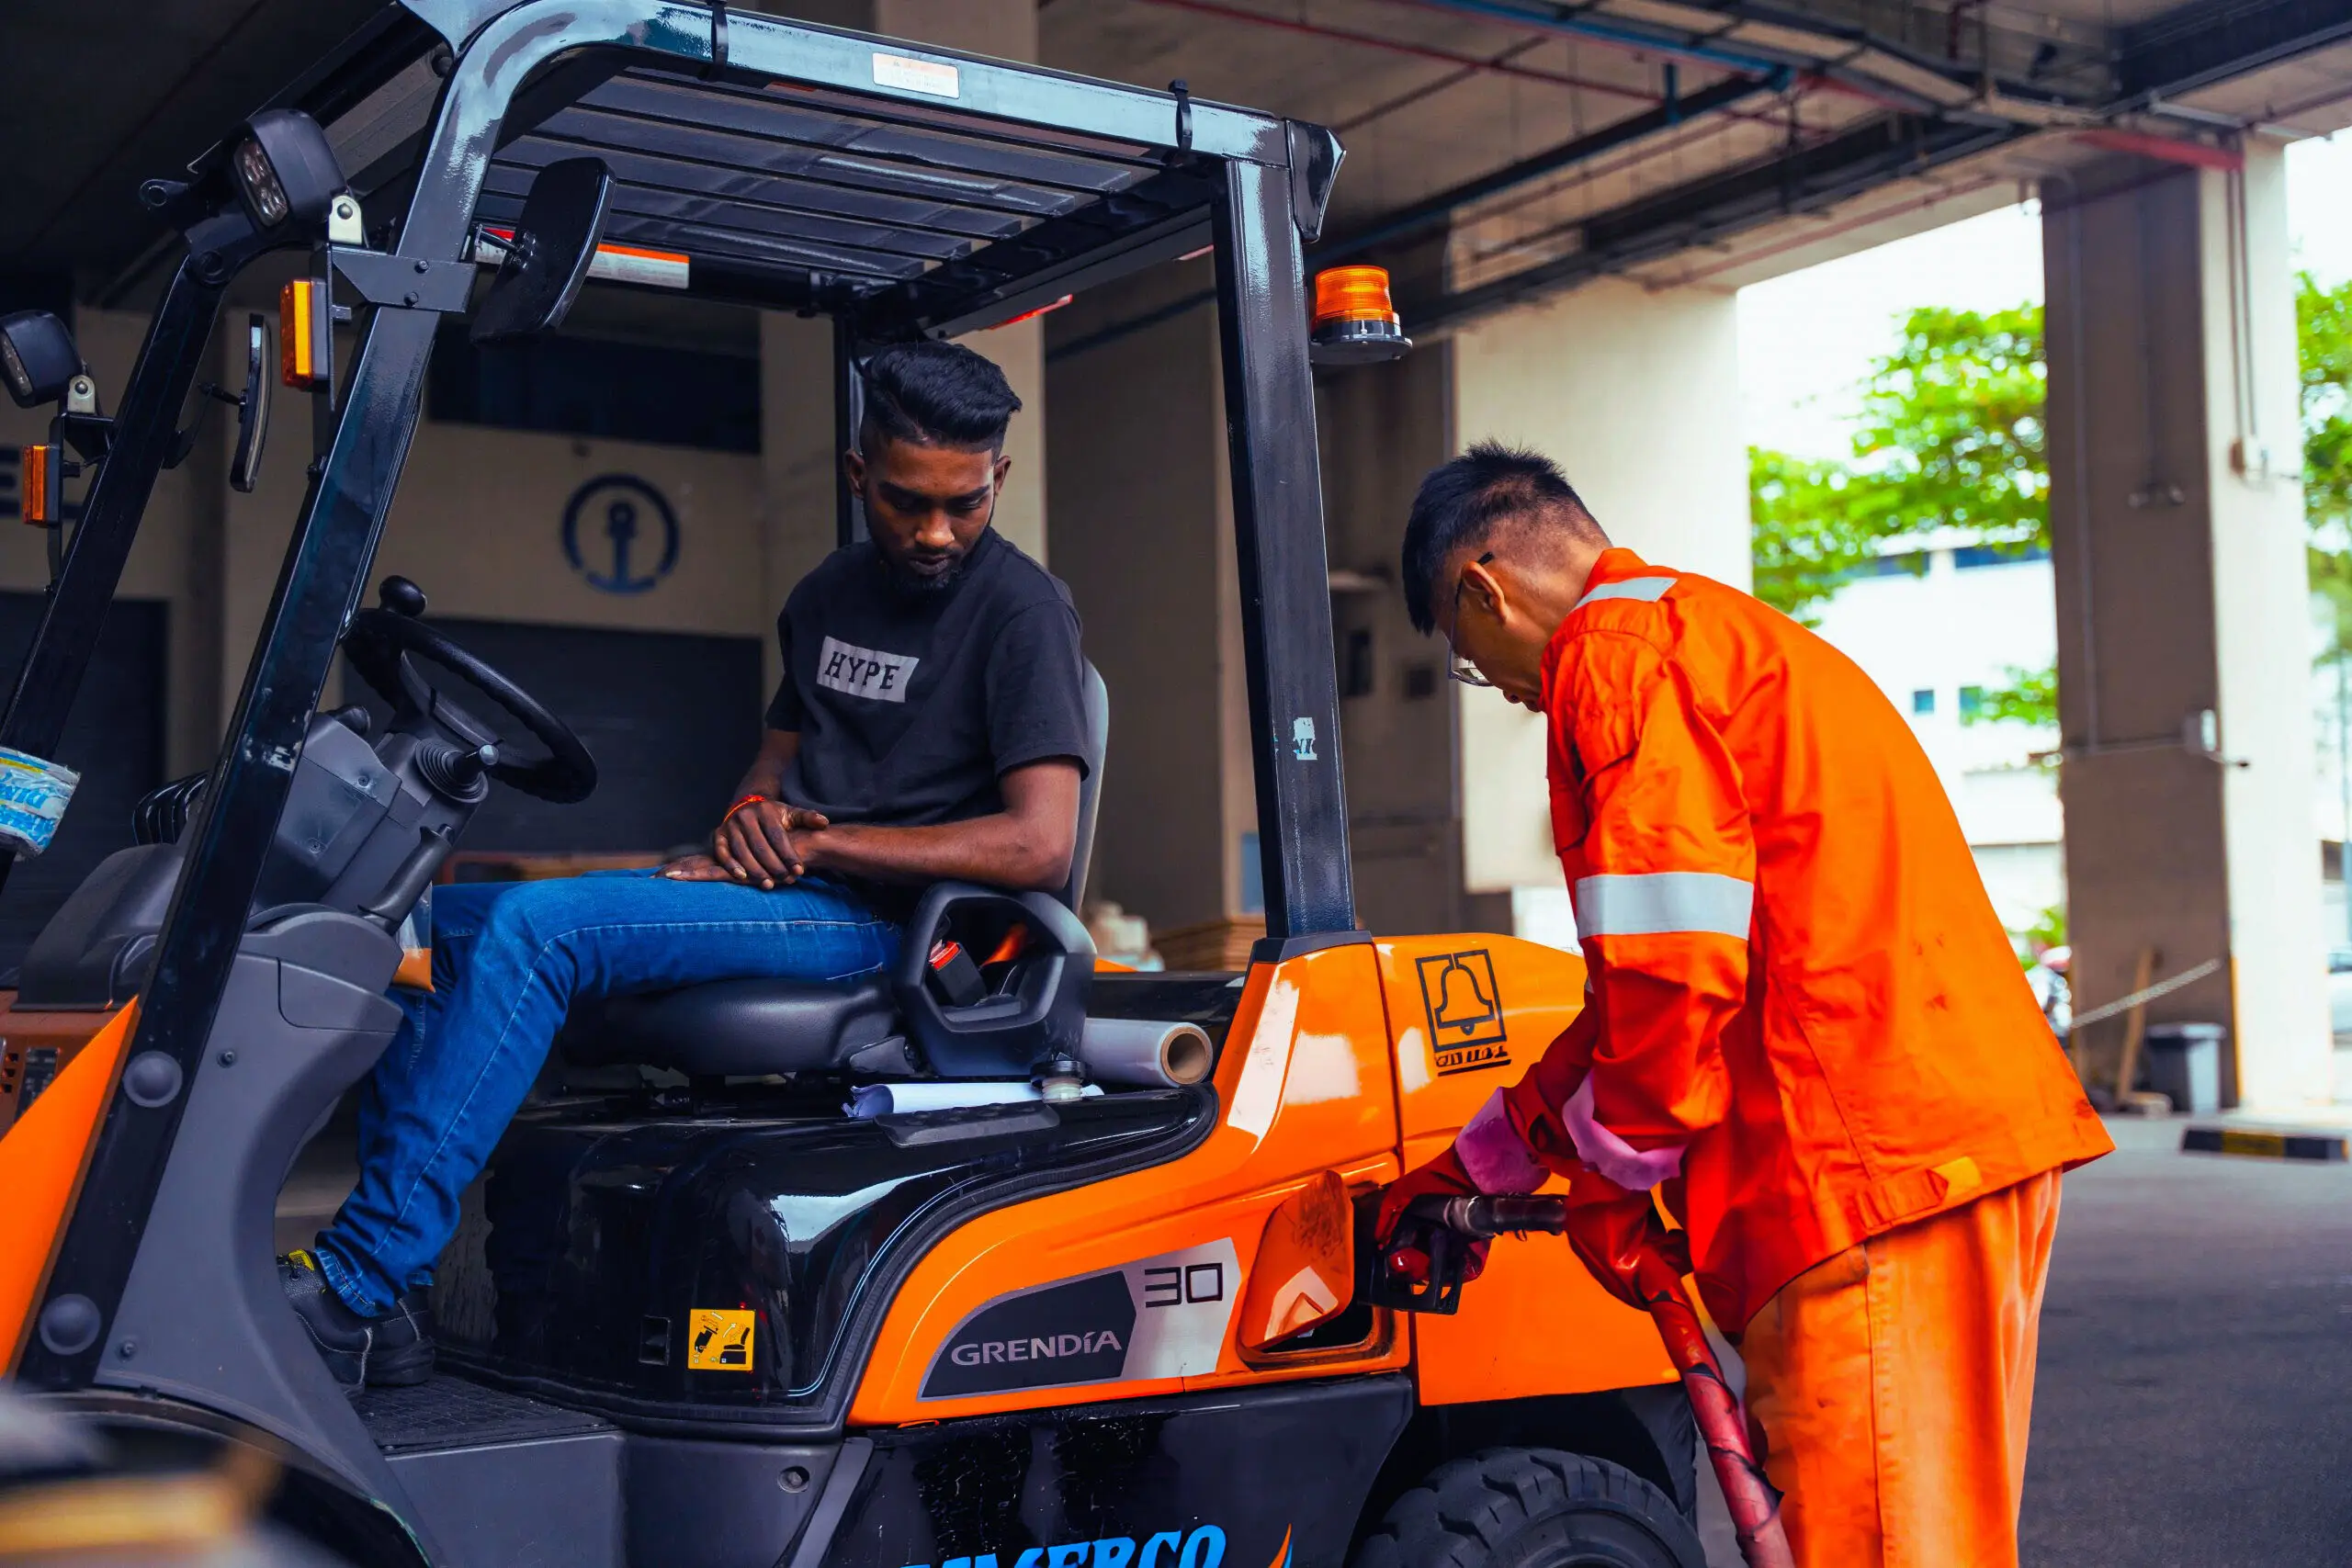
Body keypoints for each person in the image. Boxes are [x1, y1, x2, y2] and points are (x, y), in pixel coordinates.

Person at [280, 341, 1091, 1387]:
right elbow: (778, 760)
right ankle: (391, 1302)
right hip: (797, 888)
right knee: (439, 921)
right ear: (859, 476)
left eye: (964, 505)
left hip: (893, 925)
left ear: (998, 481)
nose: (937, 532)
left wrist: (820, 840)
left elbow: (1040, 842)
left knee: (541, 932)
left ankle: (356, 1281)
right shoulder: (828, 594)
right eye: (906, 502)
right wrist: (751, 819)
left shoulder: (1022, 613)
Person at [1375, 443, 2112, 1568]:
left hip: (1858, 1172)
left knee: (1876, 1546)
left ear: (1483, 588)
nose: (1506, 692)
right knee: (1931, 1530)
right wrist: (1492, 1161)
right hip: (1927, 1148)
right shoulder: (1714, 636)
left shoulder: (1612, 661)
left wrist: (1615, 1174)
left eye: (1473, 661)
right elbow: (1655, 990)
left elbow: (1673, 980)